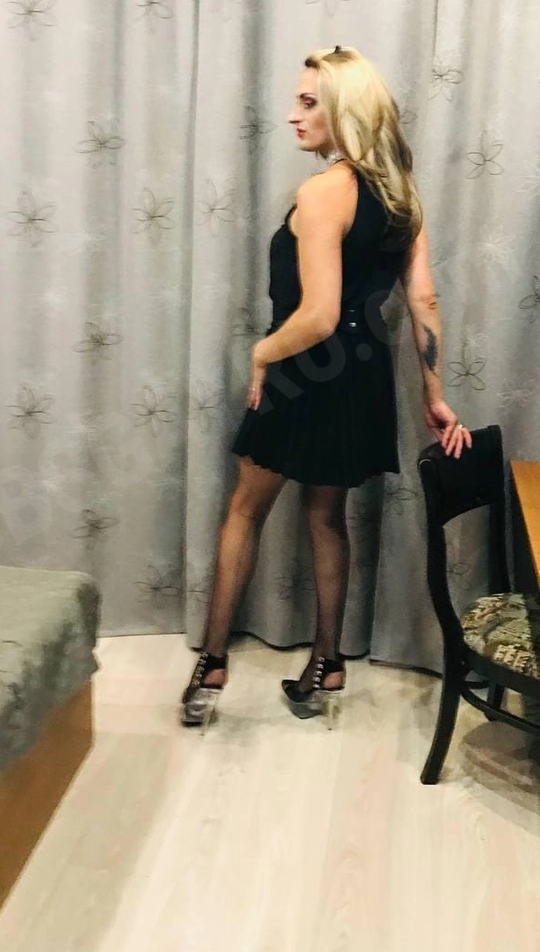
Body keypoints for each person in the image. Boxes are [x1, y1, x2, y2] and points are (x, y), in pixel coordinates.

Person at [180, 45, 472, 731]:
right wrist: (433, 394)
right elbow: (424, 301)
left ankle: (212, 663)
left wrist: (261, 353)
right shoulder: (402, 194)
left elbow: (317, 314)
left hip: (303, 370)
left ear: (346, 109)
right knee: (325, 517)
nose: (293, 115)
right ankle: (326, 664)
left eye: (309, 102)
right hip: (362, 375)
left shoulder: (323, 192)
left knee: (244, 512)